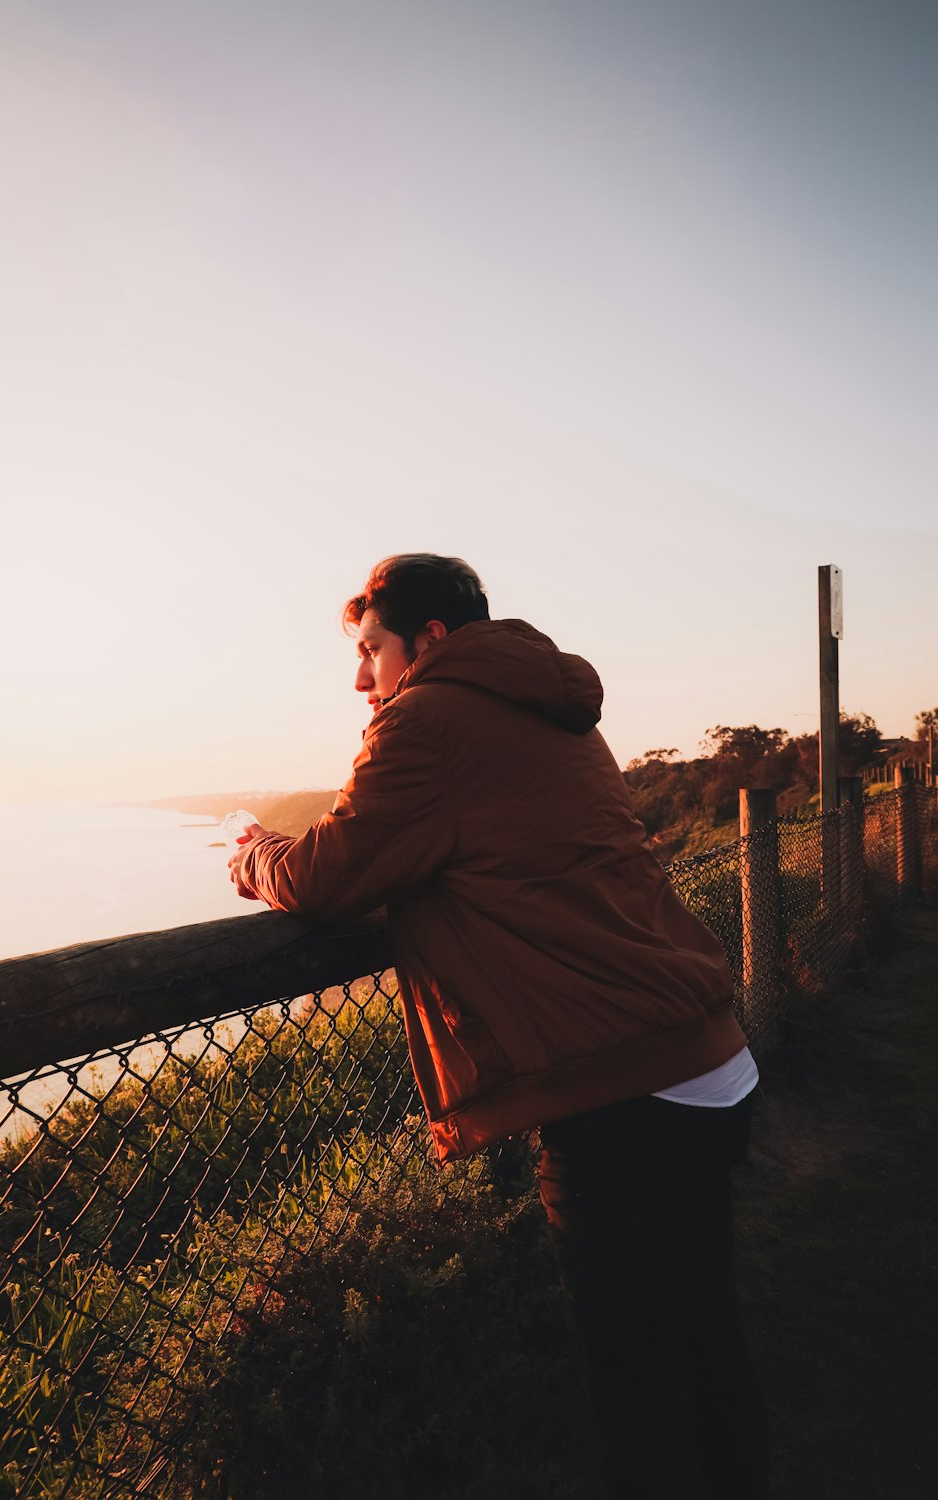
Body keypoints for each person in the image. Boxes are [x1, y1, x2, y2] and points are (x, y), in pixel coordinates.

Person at [228, 553, 769, 1499]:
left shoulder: (426, 720)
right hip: (703, 1058)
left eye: (371, 651)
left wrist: (254, 852)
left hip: (621, 1092)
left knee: (639, 1392)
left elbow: (326, 876)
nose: (362, 678)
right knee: (703, 1346)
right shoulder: (548, 709)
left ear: (429, 641)